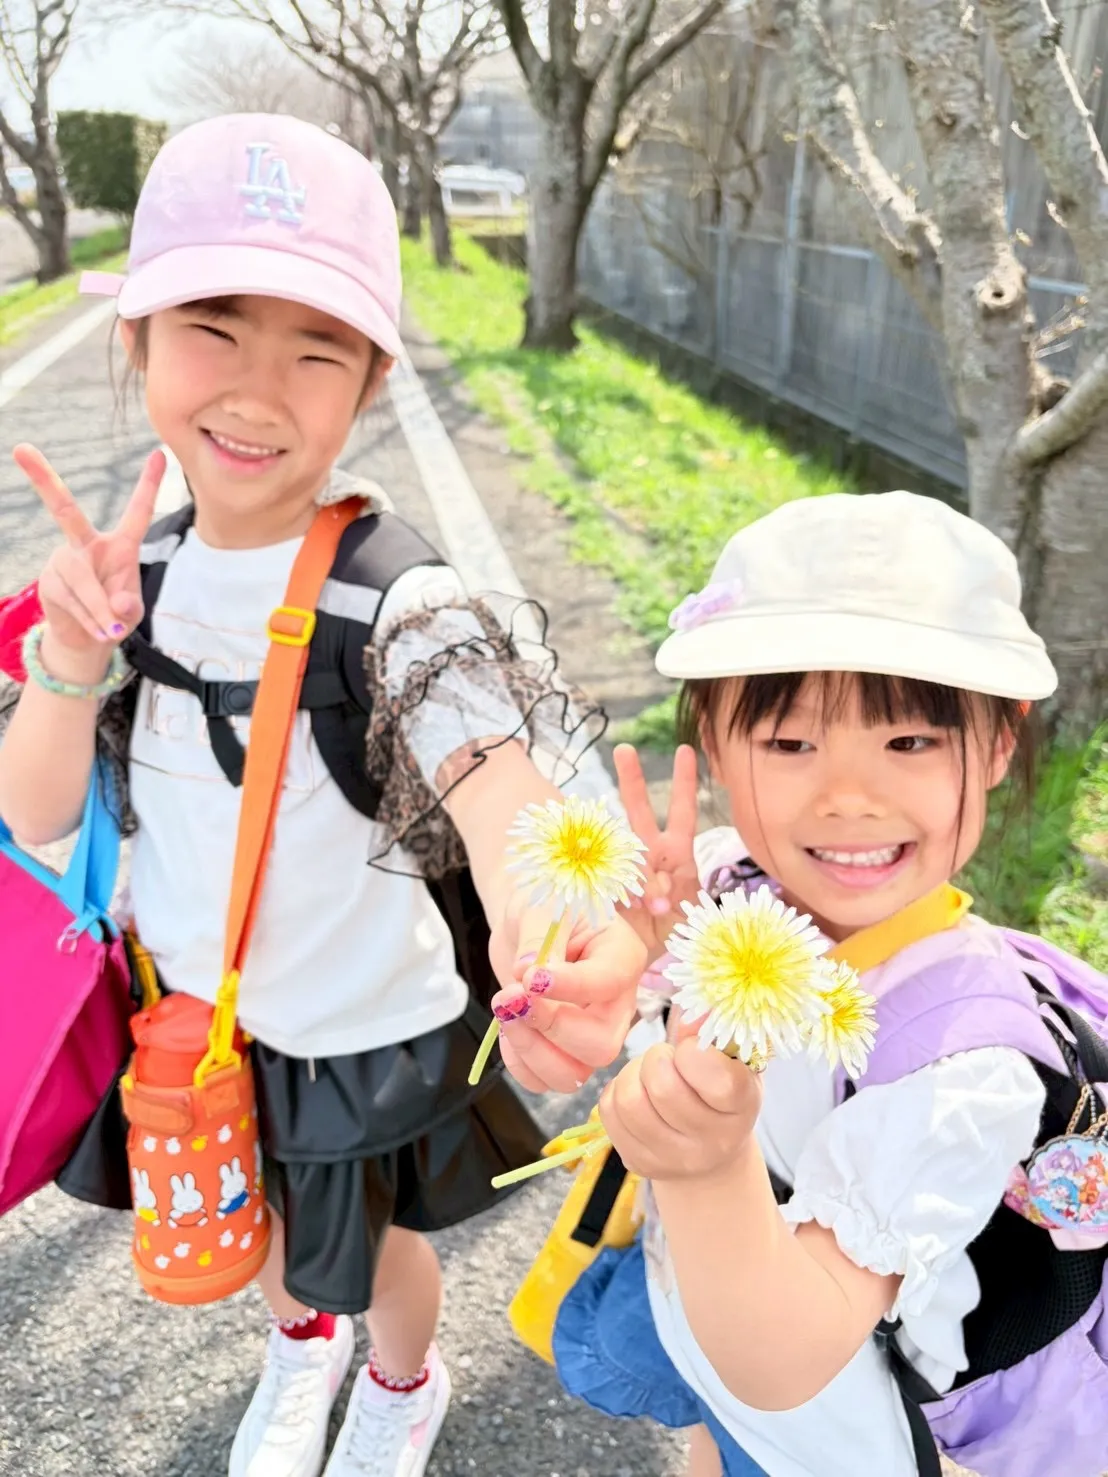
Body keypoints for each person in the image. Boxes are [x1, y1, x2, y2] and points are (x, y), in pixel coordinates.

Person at [0, 113, 645, 1477]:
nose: (258, 388)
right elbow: (38, 815)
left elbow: (495, 779)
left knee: (387, 1252)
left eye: (316, 348)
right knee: (267, 1240)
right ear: (140, 340)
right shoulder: (138, 580)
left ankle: (403, 1377)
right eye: (214, 329)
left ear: (367, 382)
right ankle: (304, 1352)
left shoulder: (401, 598)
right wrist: (68, 654)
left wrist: (550, 917)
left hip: (366, 1027)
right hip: (201, 1017)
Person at [549, 490, 1100, 1477]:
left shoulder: (964, 1072)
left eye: (909, 742)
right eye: (791, 743)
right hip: (733, 1295)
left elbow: (783, 1362)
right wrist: (636, 958)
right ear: (715, 744)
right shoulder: (732, 878)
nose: (848, 796)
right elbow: (670, 957)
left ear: (999, 745)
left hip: (881, 1407)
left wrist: (706, 1167)